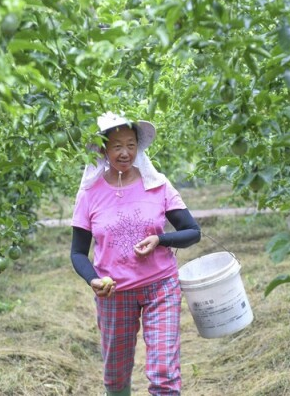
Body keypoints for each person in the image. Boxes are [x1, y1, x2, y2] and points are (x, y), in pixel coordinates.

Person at [70, 112, 201, 396]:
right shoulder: (90, 194)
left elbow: (192, 232)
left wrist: (160, 239)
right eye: (117, 146)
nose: (125, 152)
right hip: (114, 292)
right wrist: (92, 279)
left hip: (160, 287)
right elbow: (78, 253)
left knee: (164, 372)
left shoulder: (157, 185)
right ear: (104, 149)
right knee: (116, 378)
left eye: (131, 145)